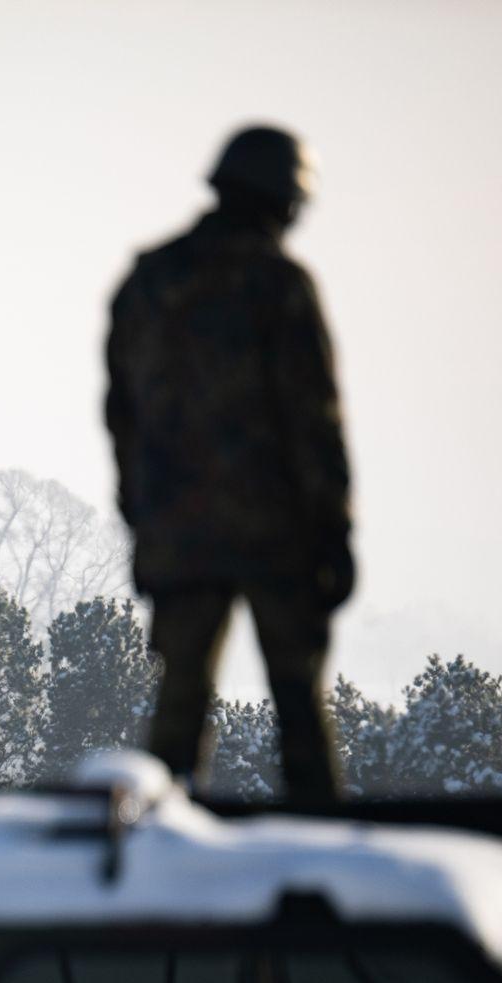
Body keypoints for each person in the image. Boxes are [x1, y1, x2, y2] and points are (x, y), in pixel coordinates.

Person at [104, 124, 354, 803]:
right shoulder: (280, 285)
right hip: (276, 531)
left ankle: (158, 839)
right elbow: (313, 421)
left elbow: (122, 416)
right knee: (298, 701)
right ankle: (321, 845)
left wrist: (142, 516)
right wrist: (334, 529)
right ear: (285, 201)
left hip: (179, 532)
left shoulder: (149, 283)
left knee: (178, 706)